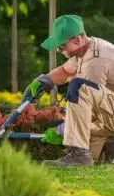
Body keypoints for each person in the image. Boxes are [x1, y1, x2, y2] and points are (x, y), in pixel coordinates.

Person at [23, 14, 114, 167]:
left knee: (79, 87)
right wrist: (44, 81)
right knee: (79, 127)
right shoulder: (85, 50)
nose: (59, 50)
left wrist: (61, 130)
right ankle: (108, 146)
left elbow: (90, 109)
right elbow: (66, 71)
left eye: (61, 46)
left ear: (77, 40)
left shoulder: (96, 62)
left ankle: (79, 156)